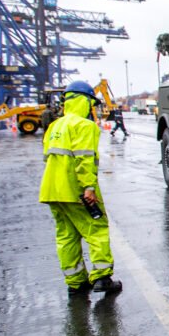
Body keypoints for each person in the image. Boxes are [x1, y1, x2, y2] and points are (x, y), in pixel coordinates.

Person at [39, 80, 122, 297]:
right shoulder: (85, 126)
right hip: (75, 190)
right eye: (91, 103)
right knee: (96, 229)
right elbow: (85, 160)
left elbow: (46, 157)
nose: (92, 108)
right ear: (84, 101)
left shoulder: (54, 126)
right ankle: (102, 277)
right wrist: (88, 187)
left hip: (51, 191)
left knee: (66, 236)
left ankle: (75, 283)